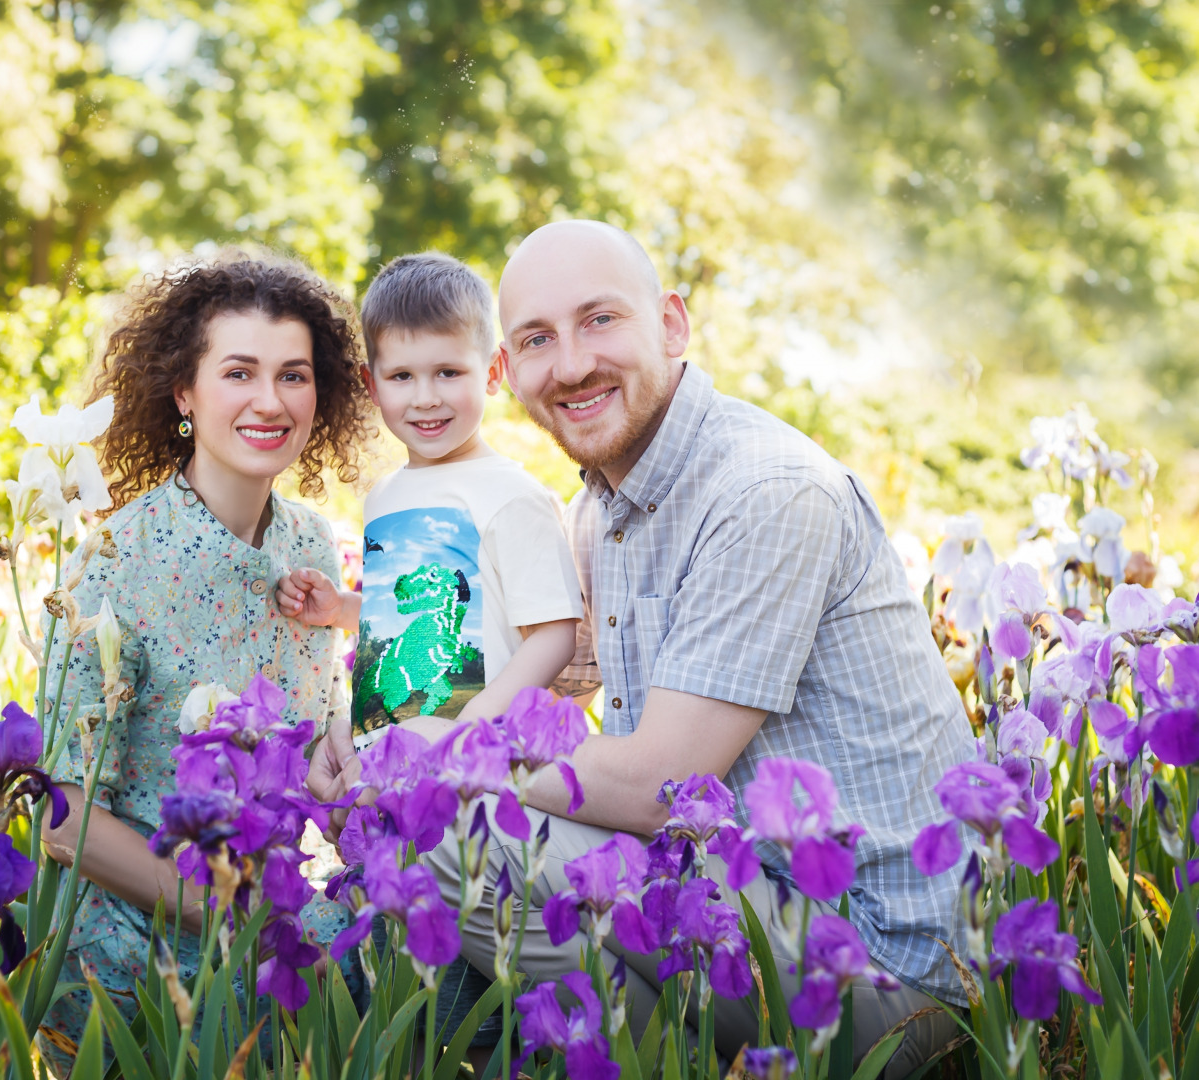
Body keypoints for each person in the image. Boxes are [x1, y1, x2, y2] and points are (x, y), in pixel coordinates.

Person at [309, 222, 974, 1079]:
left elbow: (663, 792)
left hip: (882, 977)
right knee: (422, 810)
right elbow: (508, 671)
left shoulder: (761, 492)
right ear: (511, 369)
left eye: (600, 321)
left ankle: (639, 1055)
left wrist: (430, 754)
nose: (572, 364)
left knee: (437, 821)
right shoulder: (598, 511)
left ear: (670, 325)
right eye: (538, 339)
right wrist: (359, 728)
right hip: (739, 903)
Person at [34, 254, 372, 1076]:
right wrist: (239, 915)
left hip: (277, 910)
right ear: (184, 393)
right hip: (132, 938)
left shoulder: (308, 543)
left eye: (293, 374)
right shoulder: (112, 561)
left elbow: (315, 718)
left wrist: (339, 752)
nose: (270, 400)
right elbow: (62, 819)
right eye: (238, 373)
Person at [276, 251, 585, 1052]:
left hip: (472, 796)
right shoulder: (387, 498)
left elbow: (553, 631)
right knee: (390, 1001)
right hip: (392, 784)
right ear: (371, 382)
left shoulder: (512, 496)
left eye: (447, 372)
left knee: (457, 1008)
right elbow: (416, 618)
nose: (426, 398)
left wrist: (471, 729)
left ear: (492, 371)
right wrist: (342, 609)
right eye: (403, 376)